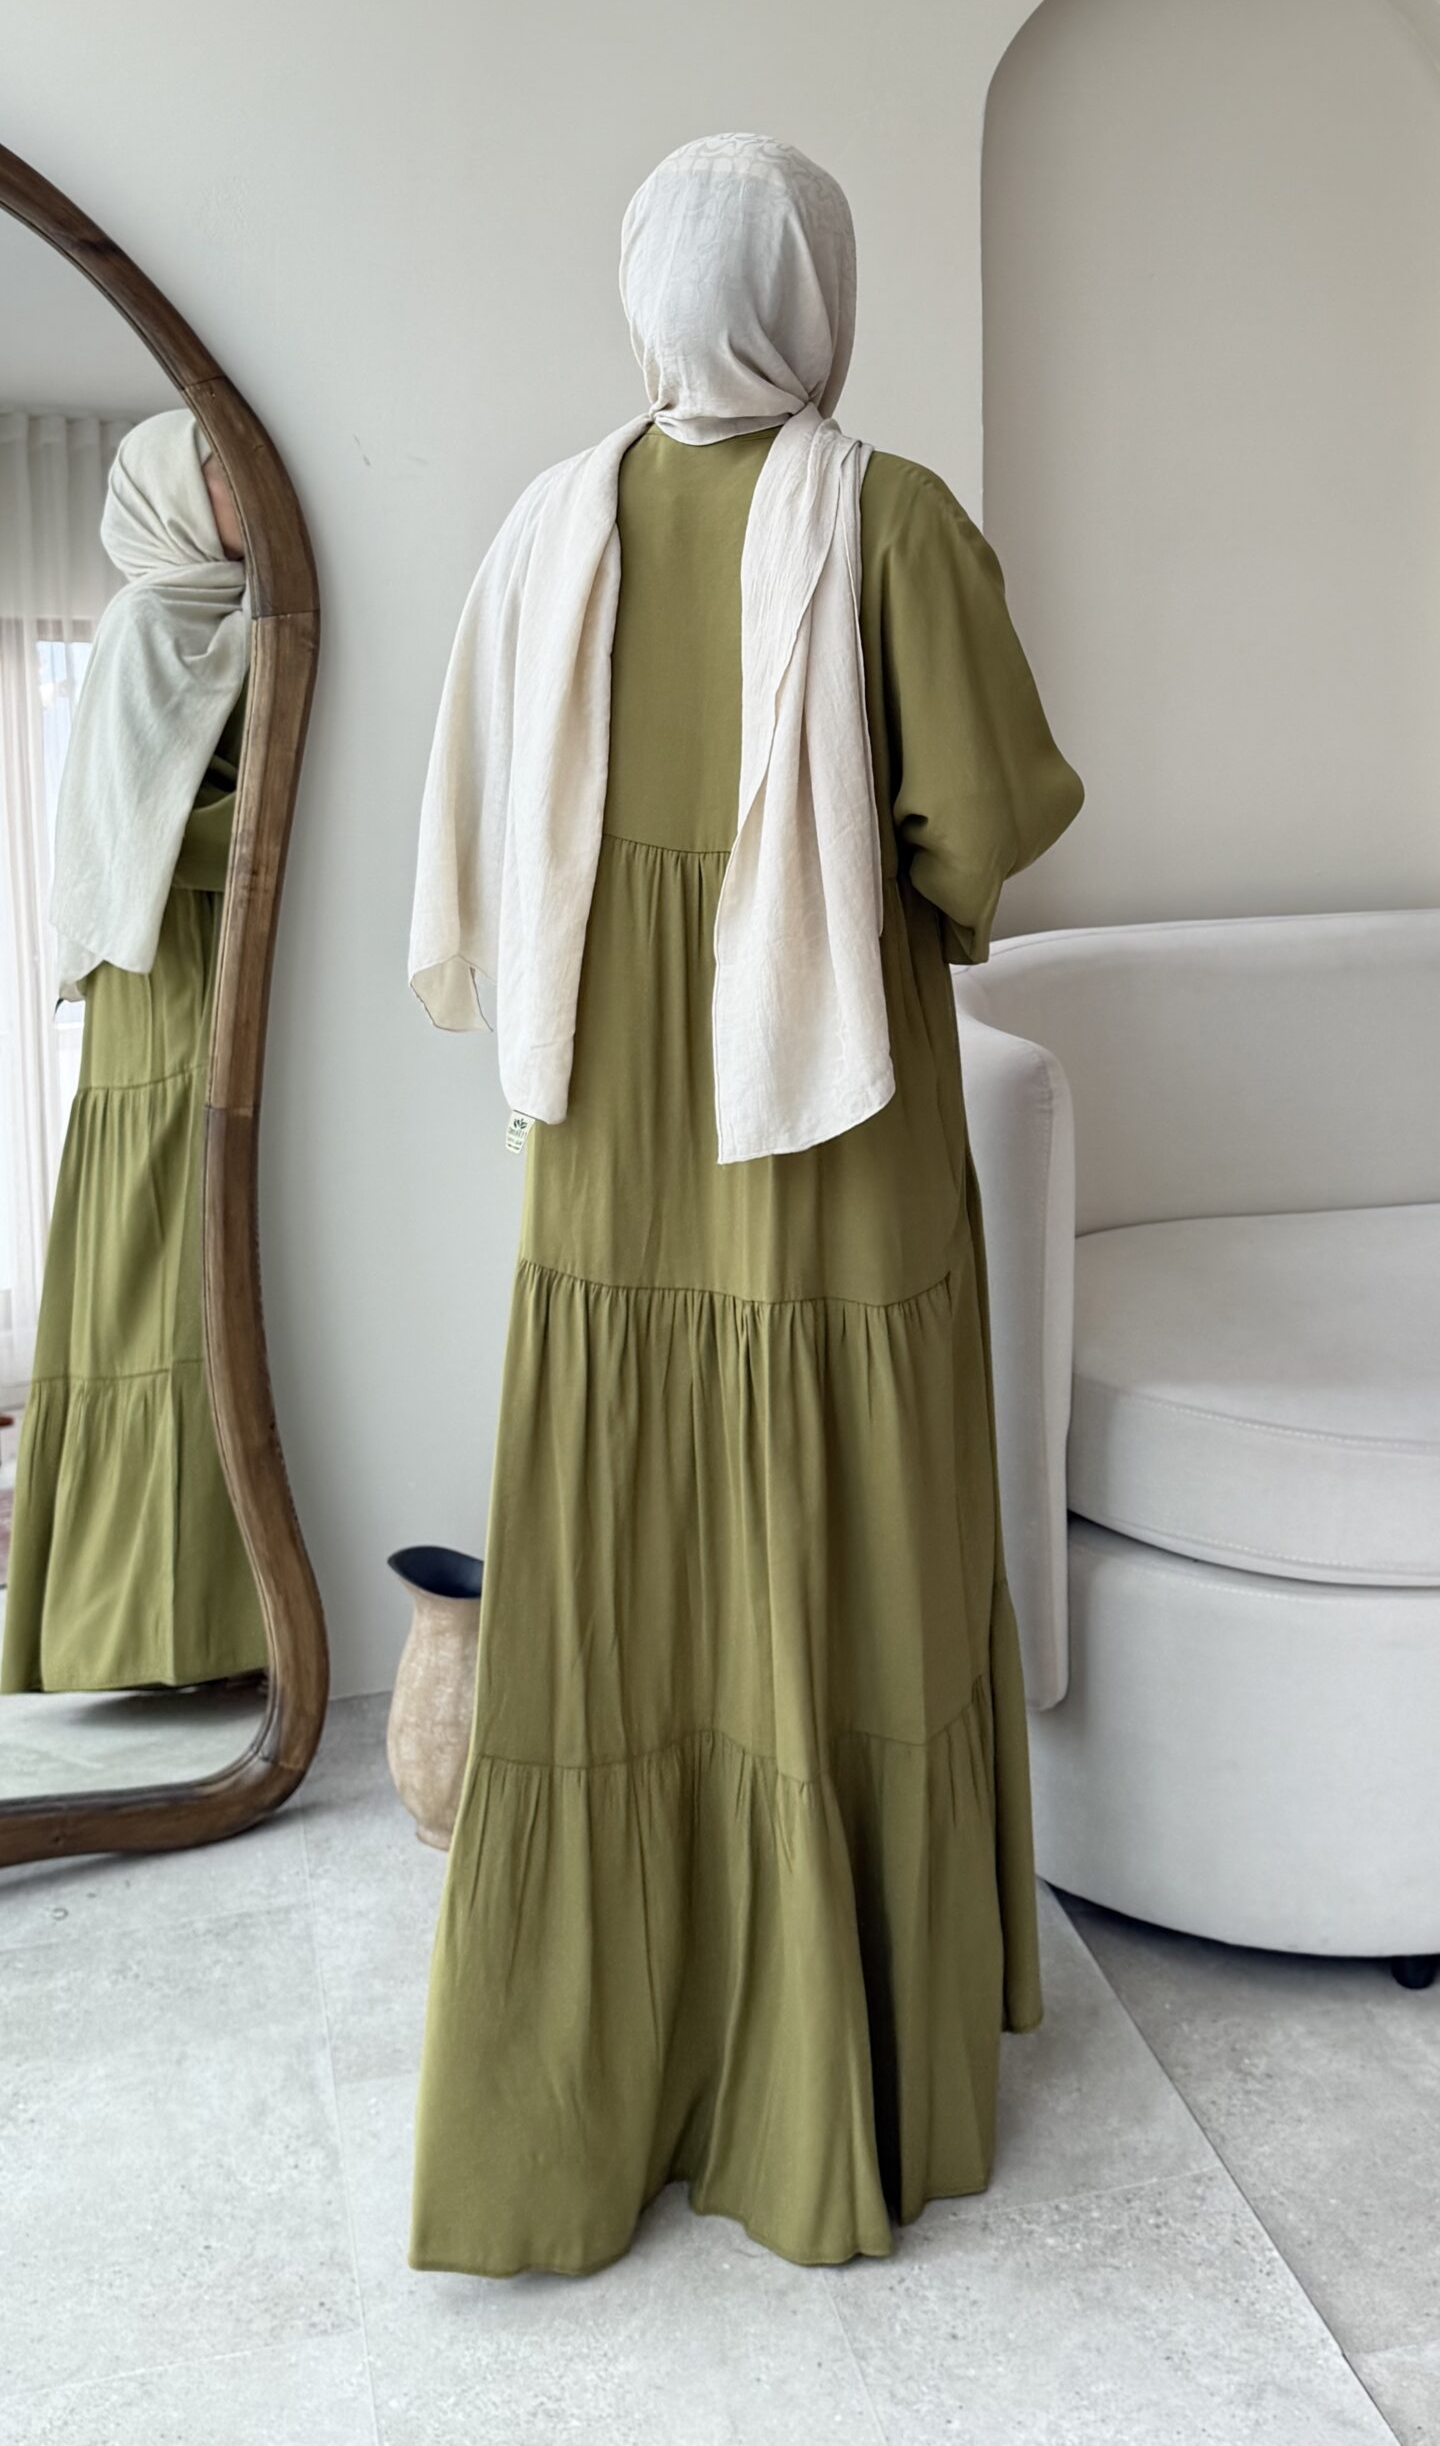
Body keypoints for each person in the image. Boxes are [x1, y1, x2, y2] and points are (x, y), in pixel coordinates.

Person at [407, 132, 1084, 2274]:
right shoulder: (890, 519)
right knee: (856, 1546)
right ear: (814, 293)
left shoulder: (543, 526)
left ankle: (588, 2090)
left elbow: (472, 819)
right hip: (828, 1128)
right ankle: (834, 2071)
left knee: (620, 1571)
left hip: (604, 1139)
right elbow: (983, 827)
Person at [0, 409, 265, 1695]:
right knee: (157, 1289)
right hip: (160, 987)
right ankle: (132, 1634)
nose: (239, 487)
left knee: (201, 1286)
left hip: (213, 974)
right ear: (172, 489)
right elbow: (145, 831)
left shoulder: (239, 625)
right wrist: (283, 803)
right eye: (217, 470)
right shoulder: (145, 626)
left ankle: (216, 1621)